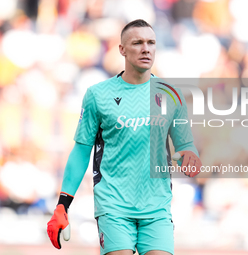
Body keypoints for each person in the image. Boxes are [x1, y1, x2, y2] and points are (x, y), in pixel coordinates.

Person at [47, 19, 202, 255]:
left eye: (151, 42)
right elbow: (81, 151)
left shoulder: (171, 95)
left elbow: (185, 146)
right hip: (113, 206)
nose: (145, 48)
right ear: (122, 49)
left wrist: (189, 158)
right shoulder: (98, 95)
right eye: (137, 43)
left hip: (157, 207)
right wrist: (63, 204)